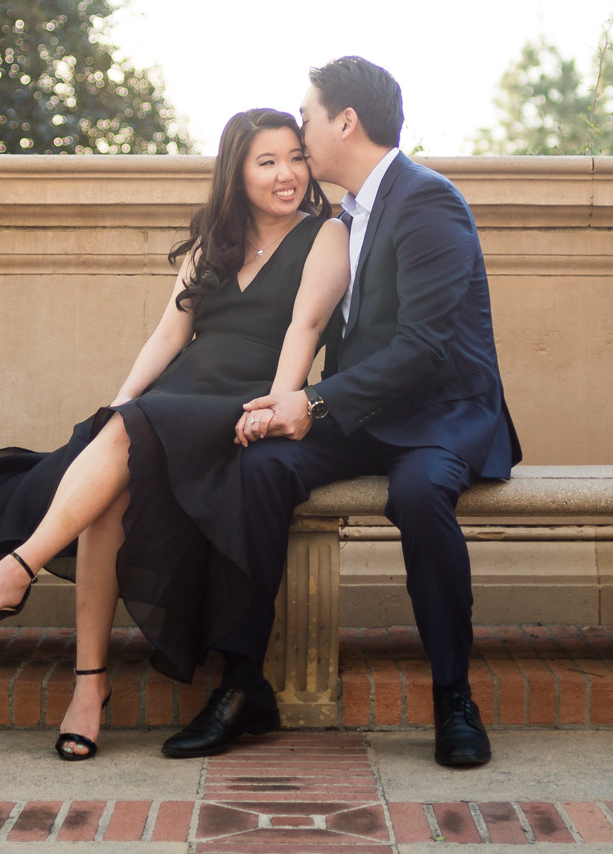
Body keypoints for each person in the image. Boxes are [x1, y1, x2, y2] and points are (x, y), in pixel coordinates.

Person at [0, 108, 349, 760]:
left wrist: (274, 404)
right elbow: (168, 335)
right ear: (237, 172)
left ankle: (17, 570)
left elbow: (305, 327)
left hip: (241, 404)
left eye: (296, 156)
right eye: (267, 161)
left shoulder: (326, 235)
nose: (287, 173)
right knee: (109, 501)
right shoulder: (210, 241)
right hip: (171, 402)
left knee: (126, 452)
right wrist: (122, 405)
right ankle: (88, 686)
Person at [162, 56, 520, 768]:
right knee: (258, 465)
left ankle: (454, 696)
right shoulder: (345, 216)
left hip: (440, 415)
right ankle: (241, 685)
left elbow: (424, 346)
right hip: (364, 415)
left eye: (307, 117)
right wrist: (297, 403)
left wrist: (313, 402)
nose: (300, 131)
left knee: (419, 495)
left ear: (345, 121)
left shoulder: (428, 200)